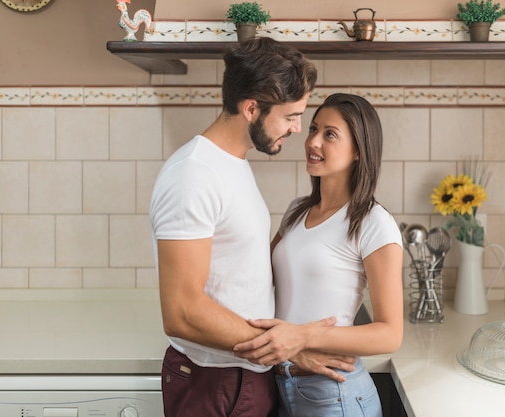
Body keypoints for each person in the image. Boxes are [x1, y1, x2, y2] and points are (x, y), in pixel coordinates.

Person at [150, 38, 354, 417]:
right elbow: (181, 311)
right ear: (251, 109)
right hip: (213, 383)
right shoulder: (194, 175)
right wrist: (291, 347)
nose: (297, 130)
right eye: (291, 116)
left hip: (245, 375)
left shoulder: (232, 164)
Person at [233, 93, 405, 417]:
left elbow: (390, 333)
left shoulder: (373, 223)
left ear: (358, 151)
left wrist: (305, 335)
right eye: (314, 129)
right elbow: (259, 280)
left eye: (330, 134)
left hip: (334, 395)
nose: (313, 142)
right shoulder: (297, 211)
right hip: (282, 383)